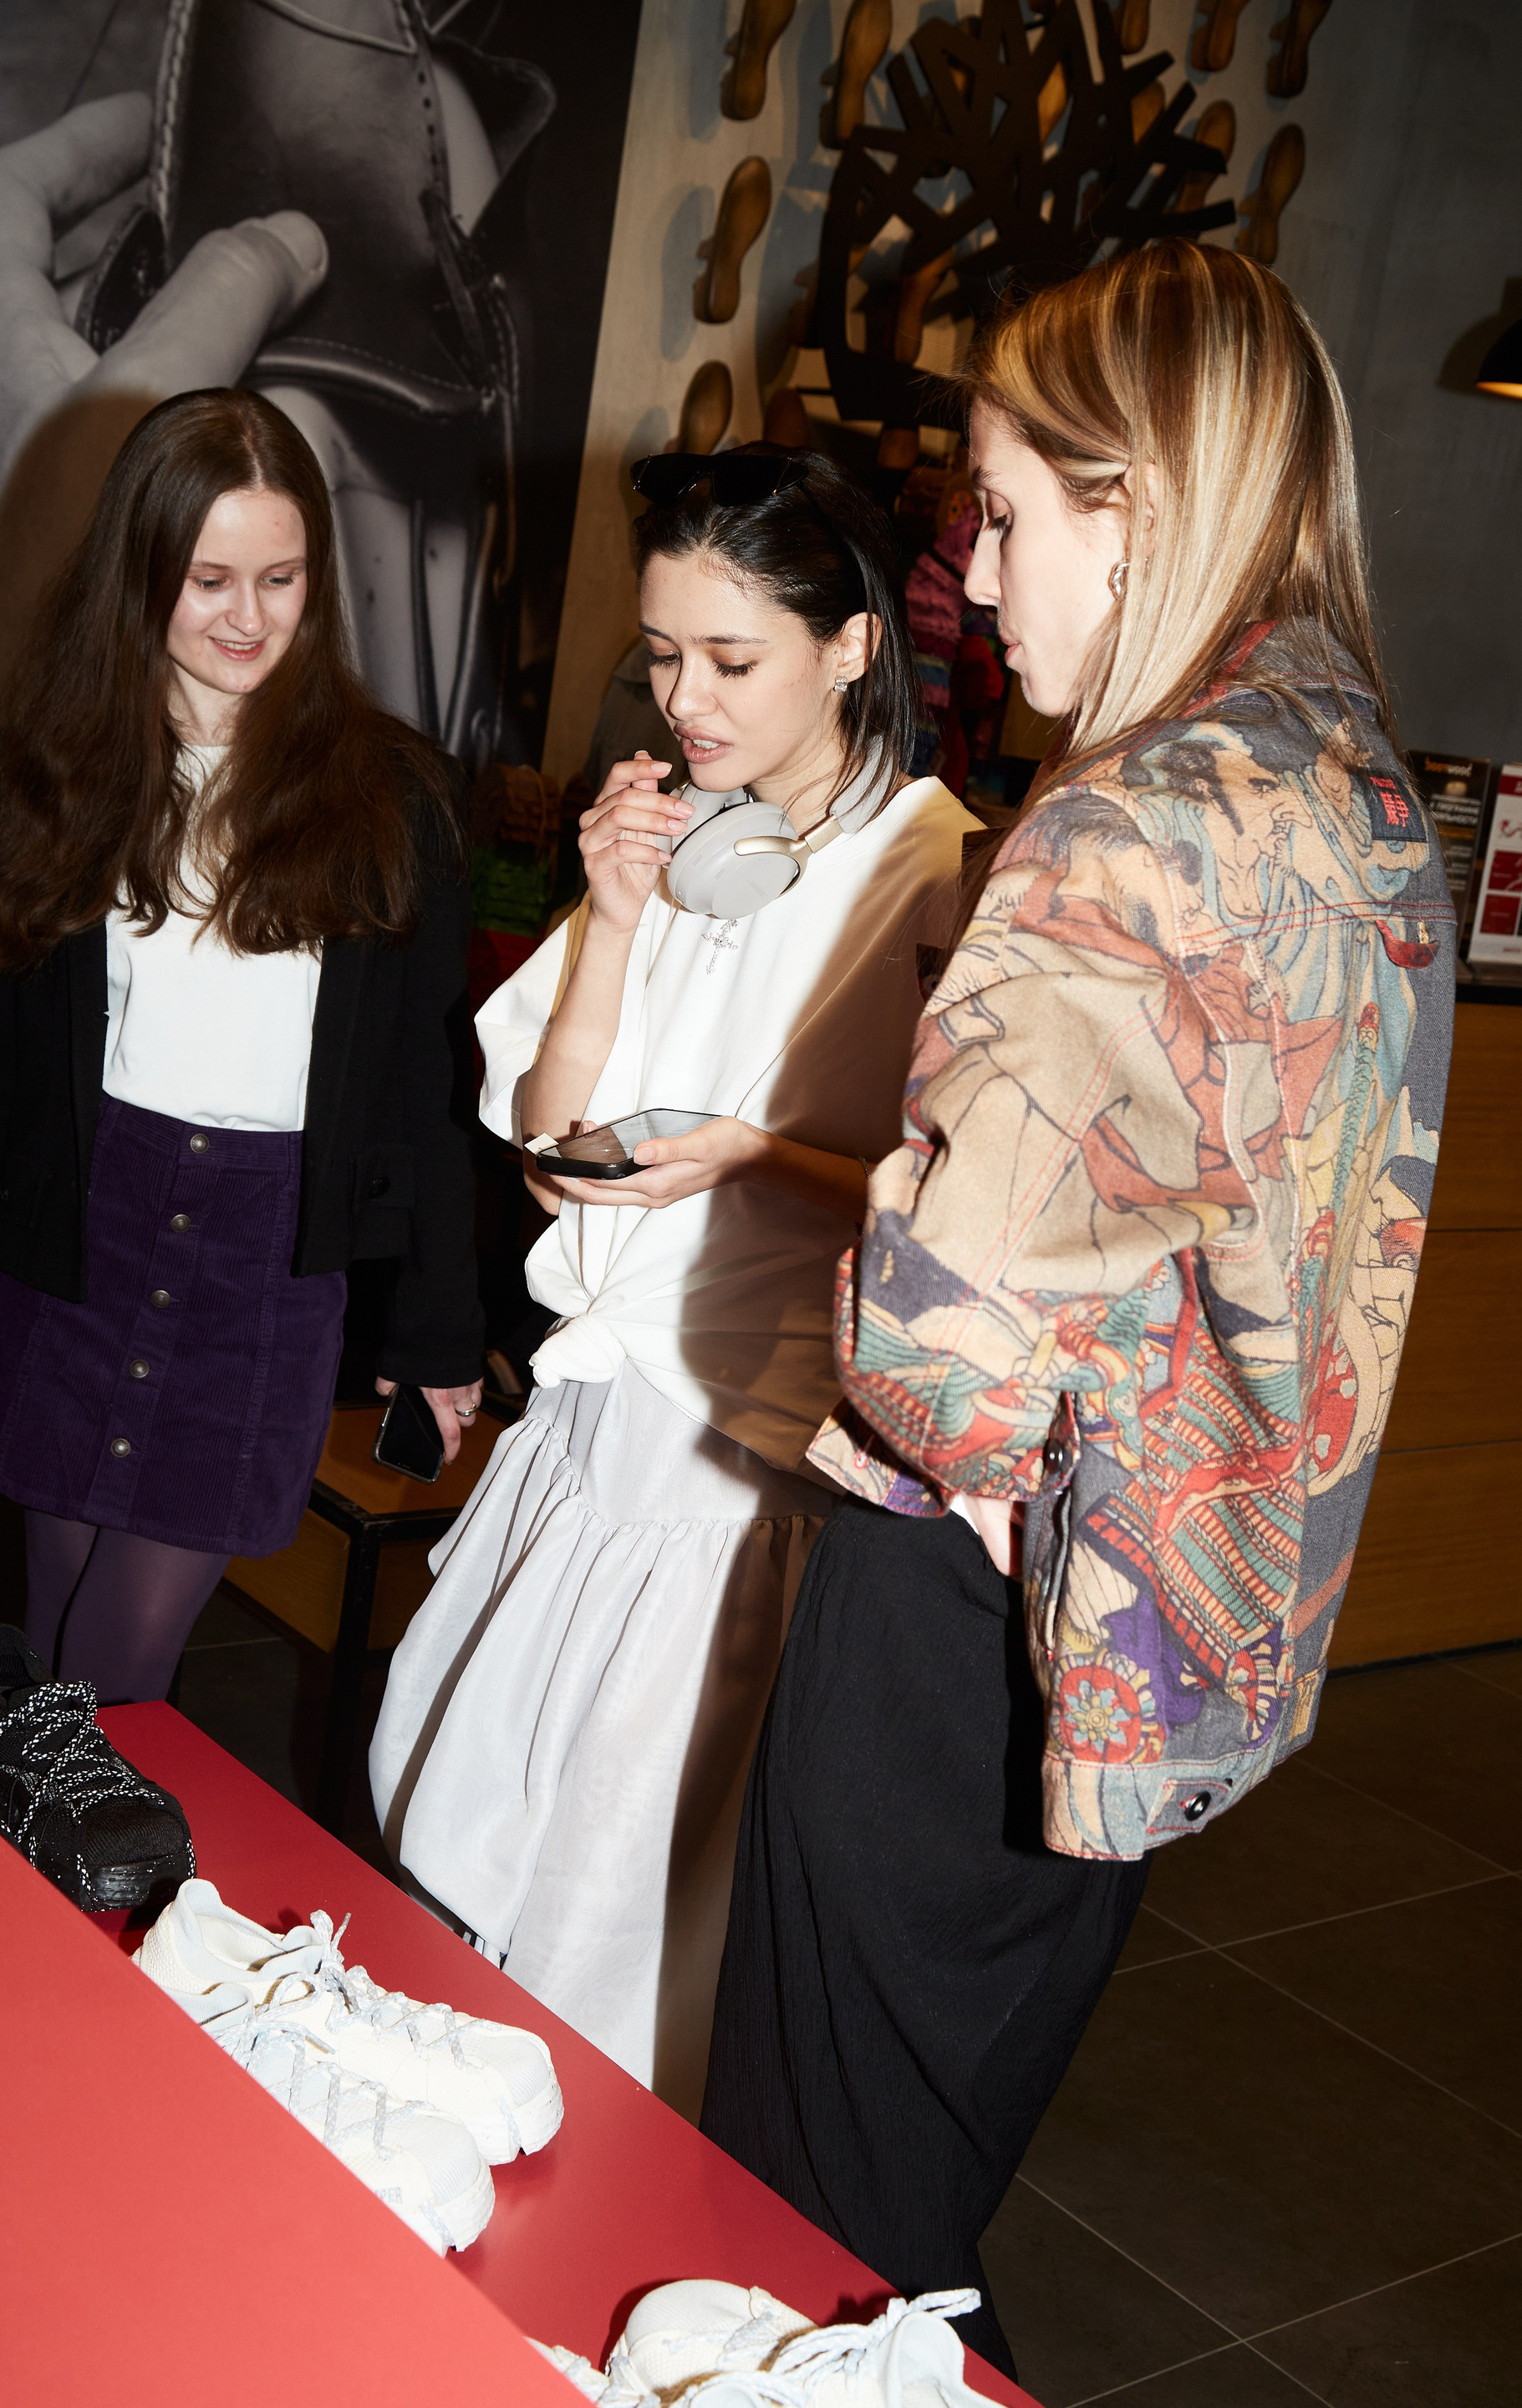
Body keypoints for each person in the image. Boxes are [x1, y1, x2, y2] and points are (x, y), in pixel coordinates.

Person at [700, 242, 1458, 2376]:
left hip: (967, 1607)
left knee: (813, 2232)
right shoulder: (1353, 784)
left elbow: (939, 1372)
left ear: (1138, 510)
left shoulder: (1124, 823)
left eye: (1006, 508)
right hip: (1160, 1631)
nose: (973, 566)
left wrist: (879, 1216)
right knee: (923, 2187)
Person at [370, 446, 977, 2117]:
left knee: (624, 1923)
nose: (684, 700)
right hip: (593, 1435)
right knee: (477, 1838)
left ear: (852, 645)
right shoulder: (692, 829)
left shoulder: (946, 874)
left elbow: (968, 1225)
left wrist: (756, 1159)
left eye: (730, 659)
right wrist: (620, 917)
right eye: (661, 655)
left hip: (751, 1469)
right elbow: (549, 1143)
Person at [0, 387, 483, 1705]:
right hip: (78, 1234)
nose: (248, 617)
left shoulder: (394, 797)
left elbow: (429, 1087)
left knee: (120, 1659)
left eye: (281, 577)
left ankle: (63, 1828)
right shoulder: (52, 769)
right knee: (51, 1627)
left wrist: (439, 1331)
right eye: (208, 579)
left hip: (261, 1265)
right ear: (140, 568)